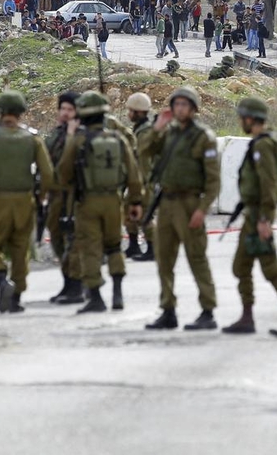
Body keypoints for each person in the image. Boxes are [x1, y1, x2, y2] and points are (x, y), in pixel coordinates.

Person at [222, 98, 277, 338]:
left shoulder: (263, 146)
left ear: (250, 119)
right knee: (242, 266)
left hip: (259, 216)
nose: (241, 122)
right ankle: (247, 317)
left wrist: (265, 219)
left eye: (242, 118)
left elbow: (269, 183)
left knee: (270, 268)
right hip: (254, 214)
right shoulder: (269, 141)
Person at [141, 87, 221, 331]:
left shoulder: (203, 137)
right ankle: (168, 310)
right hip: (166, 202)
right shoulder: (168, 133)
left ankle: (207, 311)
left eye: (185, 105)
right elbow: (143, 151)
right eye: (176, 104)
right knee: (164, 259)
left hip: (189, 203)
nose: (179, 109)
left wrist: (202, 209)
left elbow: (213, 181)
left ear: (193, 109)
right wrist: (157, 128)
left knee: (196, 258)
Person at [0, 91, 54, 314]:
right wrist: (42, 196)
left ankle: (1, 280)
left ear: (0, 112)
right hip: (24, 201)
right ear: (21, 113)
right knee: (20, 249)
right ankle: (15, 299)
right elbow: (47, 173)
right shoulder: (33, 138)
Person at [58, 91, 144, 313]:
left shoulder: (78, 140)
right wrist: (135, 202)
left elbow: (64, 174)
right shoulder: (118, 139)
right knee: (114, 246)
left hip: (87, 202)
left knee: (90, 248)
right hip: (114, 200)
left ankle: (96, 297)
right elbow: (134, 174)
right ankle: (117, 293)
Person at [44, 92, 85, 305]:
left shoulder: (81, 136)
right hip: (56, 195)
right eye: (63, 108)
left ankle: (77, 284)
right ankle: (68, 281)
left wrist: (70, 135)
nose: (65, 113)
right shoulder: (55, 134)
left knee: (73, 241)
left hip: (74, 196)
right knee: (56, 237)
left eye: (70, 109)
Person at [124, 93, 157, 262]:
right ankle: (133, 245)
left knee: (145, 215)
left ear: (138, 112)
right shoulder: (139, 129)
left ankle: (153, 248)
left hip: (144, 181)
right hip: (137, 180)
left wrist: (141, 184)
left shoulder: (145, 133)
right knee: (128, 211)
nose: (128, 114)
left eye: (131, 111)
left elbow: (144, 162)